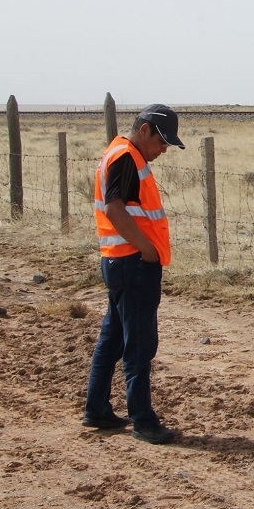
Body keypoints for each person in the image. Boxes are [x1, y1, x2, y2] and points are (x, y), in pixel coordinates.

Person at [83, 104, 184, 445]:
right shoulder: (126, 156)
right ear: (144, 131)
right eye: (162, 141)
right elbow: (115, 208)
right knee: (139, 344)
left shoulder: (120, 153)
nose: (164, 149)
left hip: (119, 262)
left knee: (113, 337)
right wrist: (145, 248)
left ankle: (96, 409)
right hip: (132, 263)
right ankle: (143, 420)